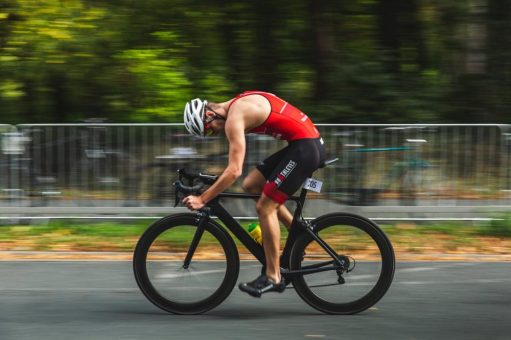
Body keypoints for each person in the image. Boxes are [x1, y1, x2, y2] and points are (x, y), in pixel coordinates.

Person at [182, 90, 326, 297]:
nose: (214, 133)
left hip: (306, 148)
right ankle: (298, 231)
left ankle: (273, 276)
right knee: (252, 184)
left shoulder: (234, 117)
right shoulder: (238, 104)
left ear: (209, 114)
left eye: (210, 129)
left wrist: (203, 198)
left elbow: (234, 170)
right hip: (304, 143)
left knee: (265, 207)